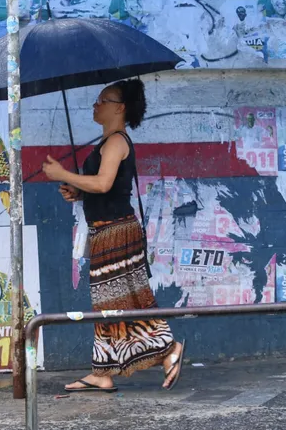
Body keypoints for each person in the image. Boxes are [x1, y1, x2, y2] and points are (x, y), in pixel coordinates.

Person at [42, 78, 185, 392]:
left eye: (102, 100)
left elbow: (104, 184)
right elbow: (105, 188)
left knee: (127, 300)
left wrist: (63, 174)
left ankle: (168, 350)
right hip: (107, 230)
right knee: (108, 302)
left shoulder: (117, 141)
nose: (96, 105)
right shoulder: (108, 142)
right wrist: (78, 192)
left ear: (120, 108)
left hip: (116, 231)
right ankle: (102, 371)